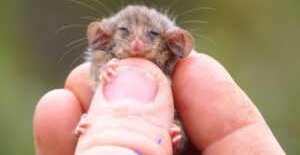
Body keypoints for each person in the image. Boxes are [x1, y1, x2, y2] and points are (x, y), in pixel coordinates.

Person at [33, 52, 285, 154]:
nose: (137, 44)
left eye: (151, 35)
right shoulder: (104, 66)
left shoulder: (174, 82)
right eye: (125, 32)